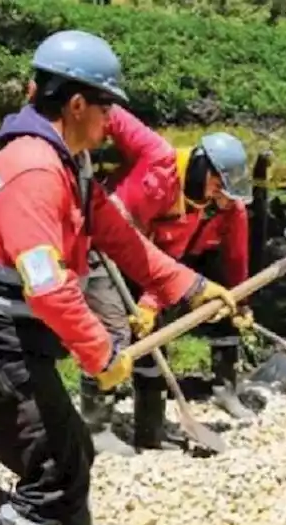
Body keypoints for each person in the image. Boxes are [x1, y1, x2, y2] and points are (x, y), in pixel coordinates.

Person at [0, 30, 237, 525]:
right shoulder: (33, 173)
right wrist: (101, 354)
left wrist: (188, 286)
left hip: (11, 336)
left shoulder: (70, 162)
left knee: (72, 449)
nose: (111, 122)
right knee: (50, 464)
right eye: (107, 108)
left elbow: (118, 238)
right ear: (75, 106)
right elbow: (47, 286)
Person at [129, 132, 259, 441]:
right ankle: (150, 419)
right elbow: (158, 256)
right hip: (159, 258)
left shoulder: (232, 210)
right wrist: (151, 300)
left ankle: (225, 389)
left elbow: (236, 256)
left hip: (199, 259)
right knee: (150, 329)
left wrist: (241, 298)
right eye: (222, 190)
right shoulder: (178, 194)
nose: (225, 198)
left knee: (226, 302)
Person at [78, 104, 179, 438]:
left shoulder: (191, 213)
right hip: (99, 244)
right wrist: (90, 120)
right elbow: (112, 113)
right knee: (110, 331)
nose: (215, 197)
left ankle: (150, 428)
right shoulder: (159, 156)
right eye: (213, 186)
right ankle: (97, 428)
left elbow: (166, 263)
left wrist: (150, 304)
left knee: (155, 335)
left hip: (135, 252)